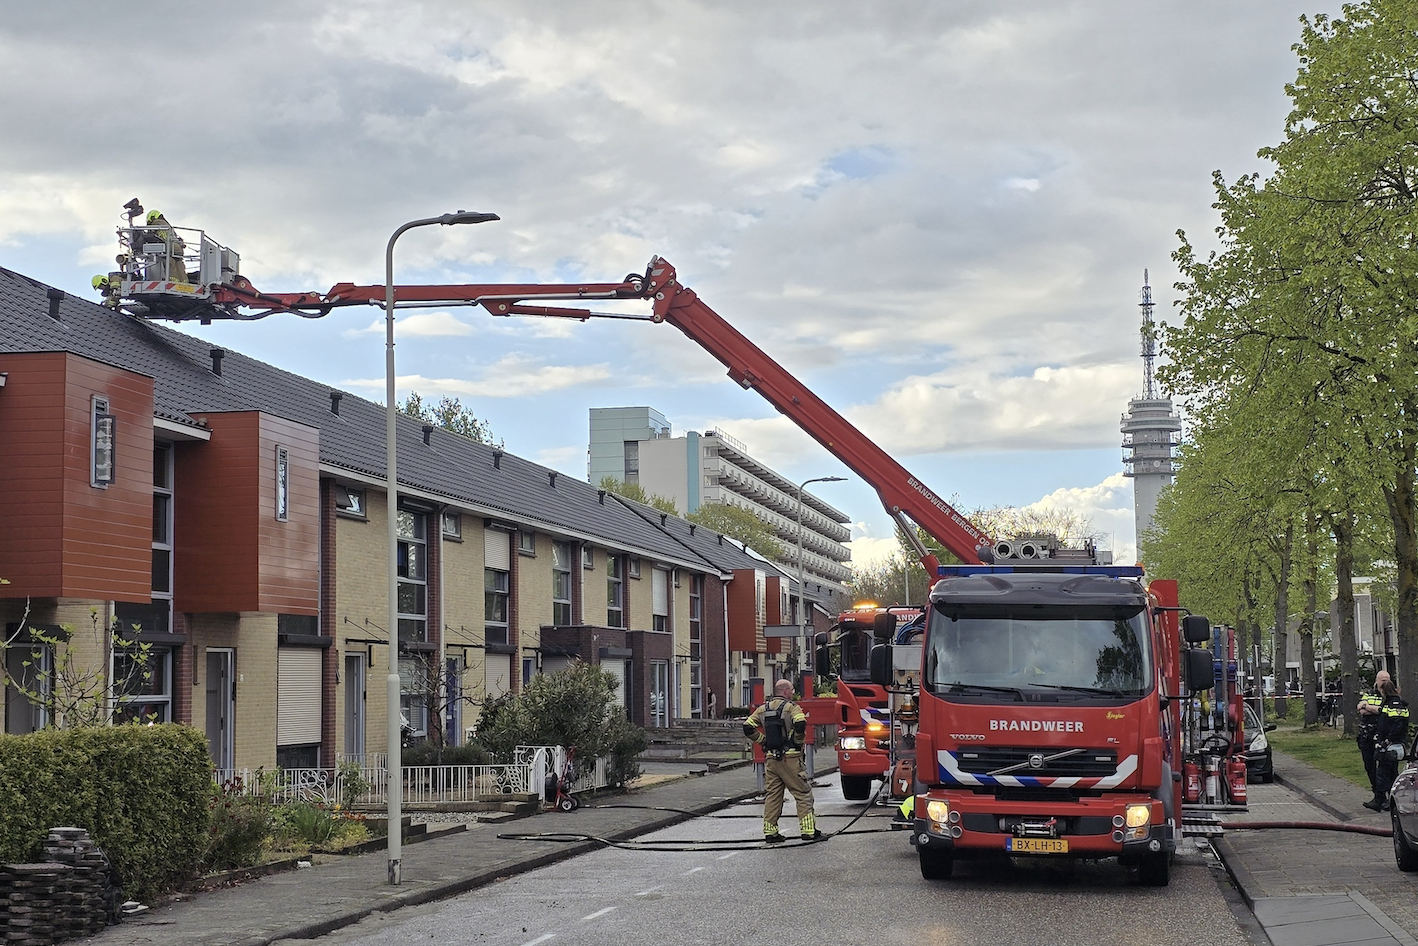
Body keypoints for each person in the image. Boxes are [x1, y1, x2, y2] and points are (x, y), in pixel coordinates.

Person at [743, 679, 818, 842]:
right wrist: (797, 742)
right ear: (785, 691)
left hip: (771, 760)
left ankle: (770, 832)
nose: (793, 692)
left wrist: (763, 741)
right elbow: (800, 723)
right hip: (790, 759)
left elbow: (747, 726)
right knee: (803, 793)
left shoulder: (763, 709)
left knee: (773, 796)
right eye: (791, 689)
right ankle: (808, 831)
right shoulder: (792, 708)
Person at [1373, 676, 1410, 812]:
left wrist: (1389, 739)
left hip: (1391, 744)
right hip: (1388, 743)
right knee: (1389, 771)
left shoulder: (1394, 705)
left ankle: (1384, 800)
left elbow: (1397, 724)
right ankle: (1386, 799)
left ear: (1384, 691)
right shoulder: (1390, 703)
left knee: (1384, 772)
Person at [1360, 672, 1388, 810]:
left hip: (1383, 736)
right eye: (1382, 680)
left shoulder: (1390, 695)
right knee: (1369, 766)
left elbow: (1383, 710)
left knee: (1386, 767)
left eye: (1387, 680)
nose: (1384, 682)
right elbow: (1360, 708)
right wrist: (1371, 709)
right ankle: (1378, 796)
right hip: (1367, 736)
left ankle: (1387, 797)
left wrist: (1368, 707)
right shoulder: (1369, 693)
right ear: (1376, 680)